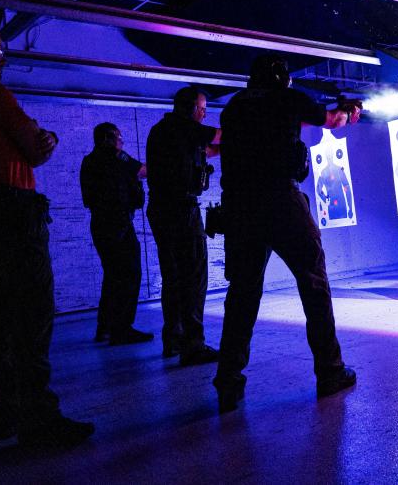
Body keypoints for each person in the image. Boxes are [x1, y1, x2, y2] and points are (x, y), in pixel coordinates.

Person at [0, 20, 94, 447]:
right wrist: (45, 137)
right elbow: (35, 148)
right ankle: (40, 419)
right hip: (14, 213)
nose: (2, 57)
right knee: (31, 315)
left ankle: (6, 414)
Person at [213, 54, 361, 413]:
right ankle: (330, 372)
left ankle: (228, 380)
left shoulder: (232, 108)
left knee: (243, 293)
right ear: (281, 78)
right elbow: (332, 120)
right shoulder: (286, 98)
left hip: (239, 205)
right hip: (280, 198)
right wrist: (348, 110)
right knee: (313, 282)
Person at [146, 87, 221, 364]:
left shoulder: (164, 130)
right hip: (180, 210)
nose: (204, 114)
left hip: (163, 209)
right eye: (202, 109)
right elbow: (218, 137)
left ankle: (174, 339)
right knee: (194, 274)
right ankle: (193, 344)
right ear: (191, 109)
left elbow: (206, 150)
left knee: (174, 276)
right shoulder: (184, 126)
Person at [80, 122, 153, 345]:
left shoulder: (88, 161)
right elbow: (143, 171)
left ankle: (105, 327)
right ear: (109, 138)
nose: (122, 142)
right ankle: (122, 329)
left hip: (100, 225)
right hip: (119, 224)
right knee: (129, 275)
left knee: (112, 276)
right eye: (119, 138)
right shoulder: (117, 157)